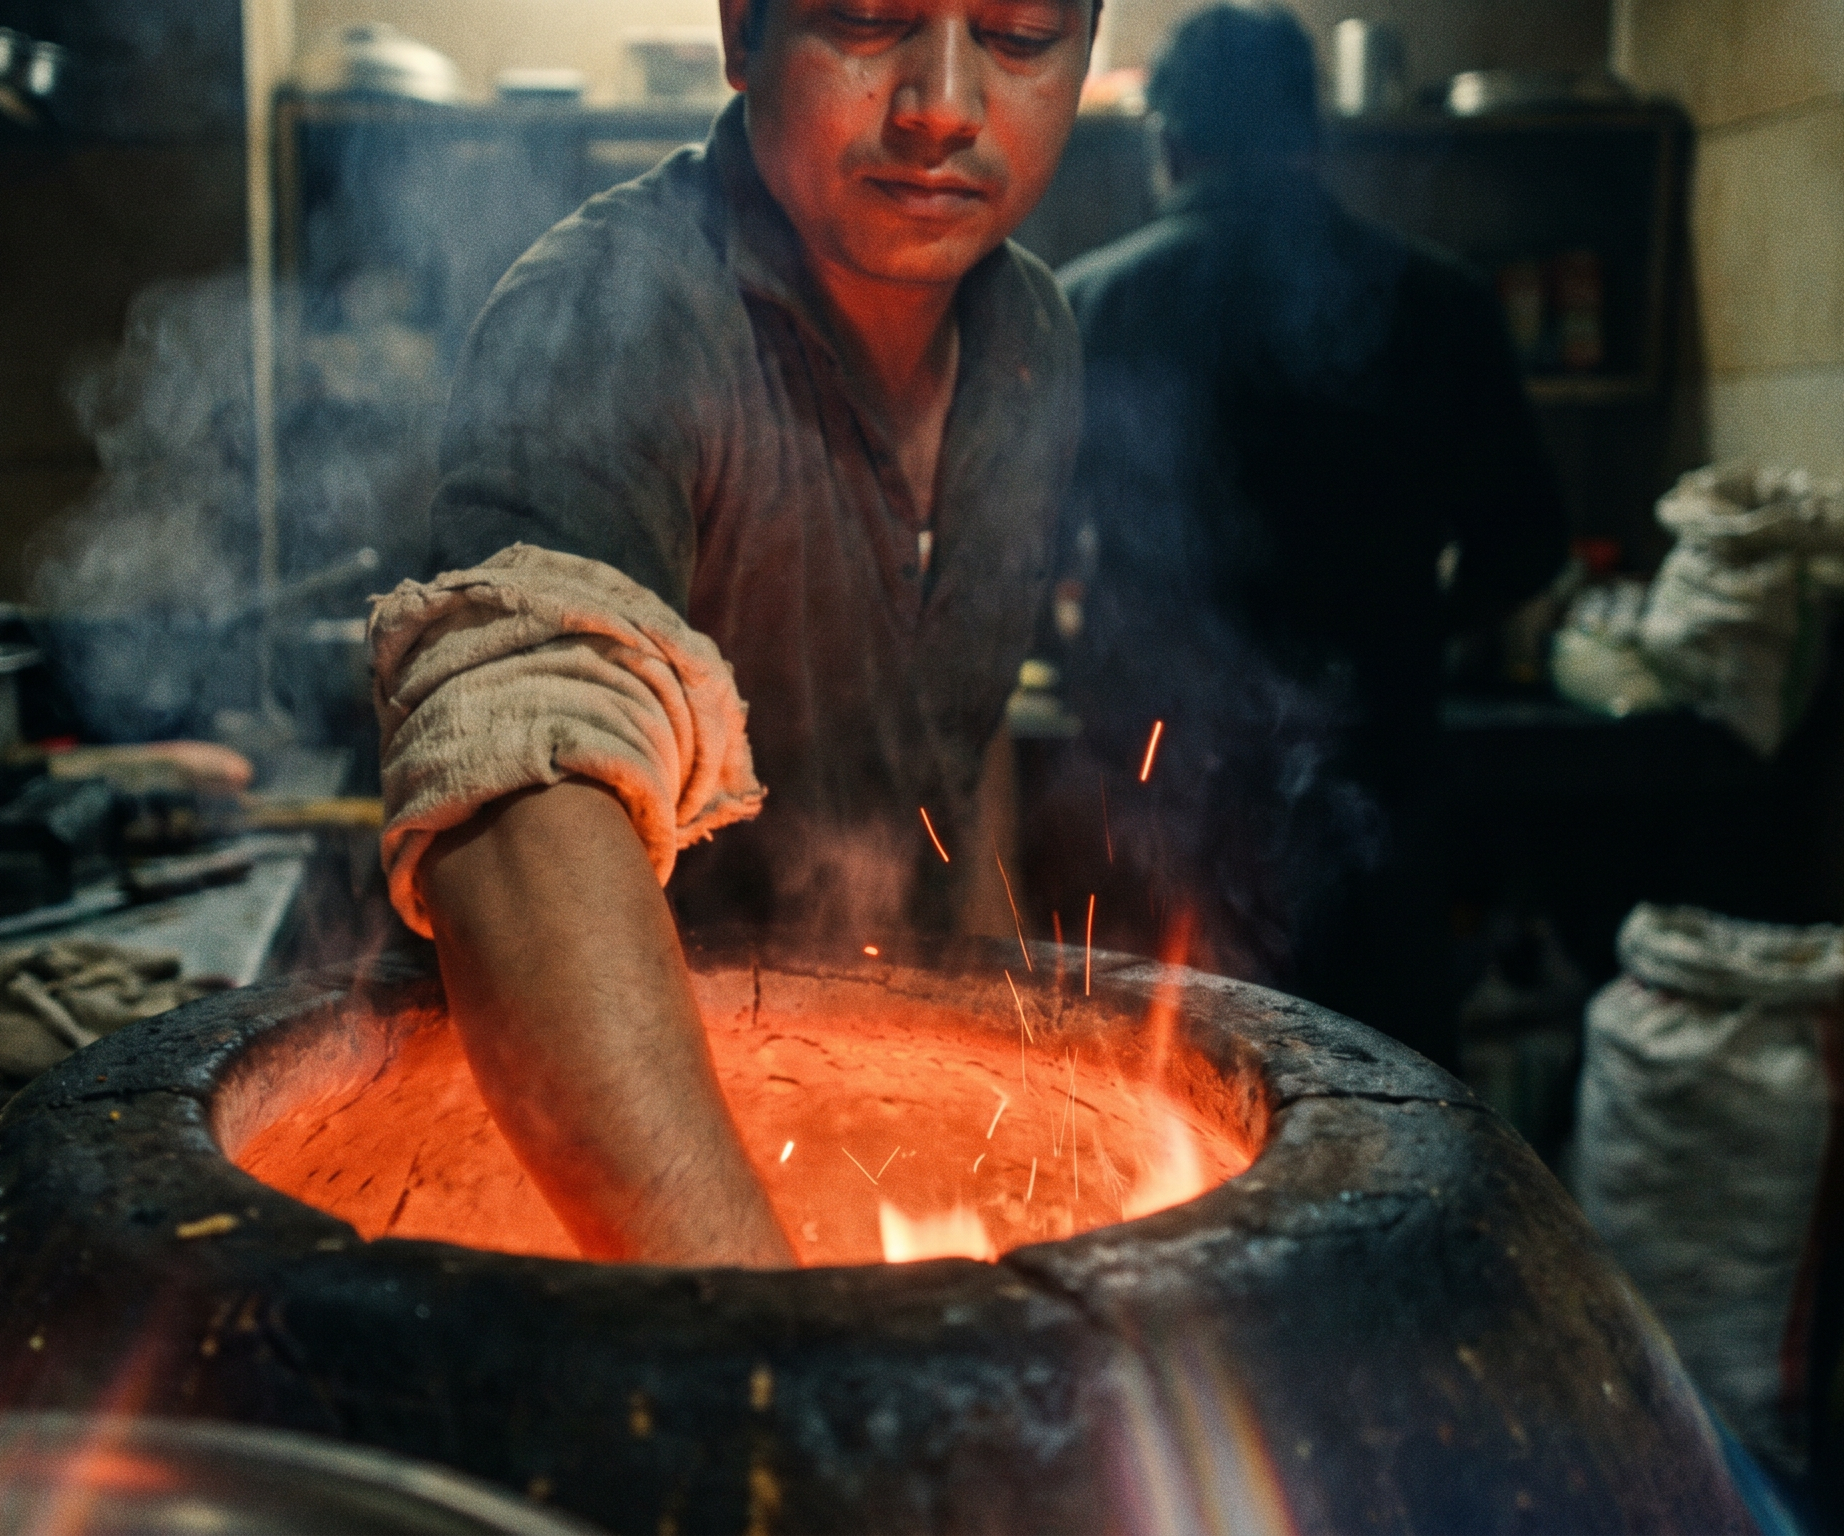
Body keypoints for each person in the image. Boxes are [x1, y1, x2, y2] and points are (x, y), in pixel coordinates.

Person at [366, 0, 1093, 1266]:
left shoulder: (1031, 339)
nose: (941, 103)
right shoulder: (611, 317)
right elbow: (521, 798)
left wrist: (1005, 1091)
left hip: (875, 1127)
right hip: (615, 1184)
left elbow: (959, 747)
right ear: (740, 32)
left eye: (1020, 36)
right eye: (868, 22)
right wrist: (757, 1323)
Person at [1047, 4, 1565, 1072]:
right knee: (1381, 1105)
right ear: (1314, 138)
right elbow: (1528, 543)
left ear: (1168, 141)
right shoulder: (1442, 302)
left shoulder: (1089, 307)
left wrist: (1078, 646)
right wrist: (1416, 615)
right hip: (1373, 785)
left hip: (1162, 800)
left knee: (1164, 1107)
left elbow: (1014, 568)